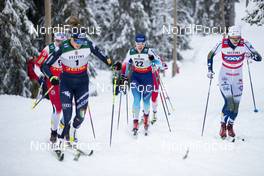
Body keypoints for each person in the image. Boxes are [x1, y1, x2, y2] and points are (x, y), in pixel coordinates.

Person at [42, 31, 113, 148]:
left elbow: (102, 56)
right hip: (66, 84)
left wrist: (112, 64)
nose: (79, 44)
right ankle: (59, 139)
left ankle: (72, 133)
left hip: (82, 84)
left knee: (81, 115)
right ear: (71, 38)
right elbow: (45, 65)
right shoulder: (62, 47)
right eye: (77, 41)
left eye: (81, 41)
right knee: (67, 115)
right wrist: (52, 77)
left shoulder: (87, 44)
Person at [207, 25, 262, 139]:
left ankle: (230, 126)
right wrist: (210, 70)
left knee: (236, 107)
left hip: (238, 78)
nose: (236, 41)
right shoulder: (222, 43)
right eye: (233, 39)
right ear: (229, 37)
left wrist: (251, 55)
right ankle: (222, 125)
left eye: (238, 38)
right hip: (225, 77)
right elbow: (210, 55)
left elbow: (259, 57)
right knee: (229, 103)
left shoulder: (244, 43)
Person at [121, 34, 162, 135]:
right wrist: (124, 77)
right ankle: (135, 122)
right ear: (135, 43)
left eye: (142, 43)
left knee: (146, 100)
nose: (140, 45)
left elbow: (159, 63)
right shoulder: (131, 52)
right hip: (136, 77)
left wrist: (153, 60)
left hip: (148, 77)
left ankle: (146, 119)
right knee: (136, 99)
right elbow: (125, 64)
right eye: (138, 43)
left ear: (145, 43)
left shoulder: (149, 51)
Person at [35, 32, 67, 143]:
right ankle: (53, 133)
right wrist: (41, 77)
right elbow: (37, 65)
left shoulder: (67, 48)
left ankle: (64, 129)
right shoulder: (49, 49)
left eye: (62, 42)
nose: (60, 44)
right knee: (57, 108)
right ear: (54, 40)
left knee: (67, 107)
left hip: (65, 81)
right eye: (58, 41)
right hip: (52, 81)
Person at [151, 57, 168, 125]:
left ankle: (154, 114)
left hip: (155, 83)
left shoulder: (157, 59)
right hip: (146, 82)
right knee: (145, 99)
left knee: (153, 99)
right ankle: (145, 116)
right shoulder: (145, 58)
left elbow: (165, 67)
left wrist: (161, 66)